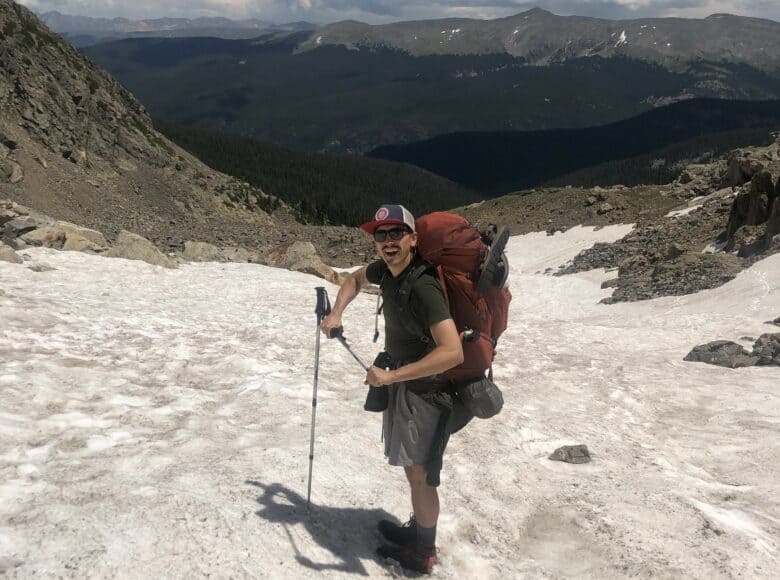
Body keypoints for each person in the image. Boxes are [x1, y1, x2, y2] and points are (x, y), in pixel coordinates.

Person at [320, 204, 463, 574]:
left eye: (396, 233)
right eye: (380, 235)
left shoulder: (423, 286)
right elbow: (353, 279)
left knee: (420, 474)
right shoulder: (387, 270)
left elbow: (452, 351)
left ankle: (423, 552)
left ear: (413, 239)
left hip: (424, 392)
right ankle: (419, 530)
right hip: (406, 382)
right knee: (412, 470)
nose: (387, 241)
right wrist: (337, 313)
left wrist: (392, 378)